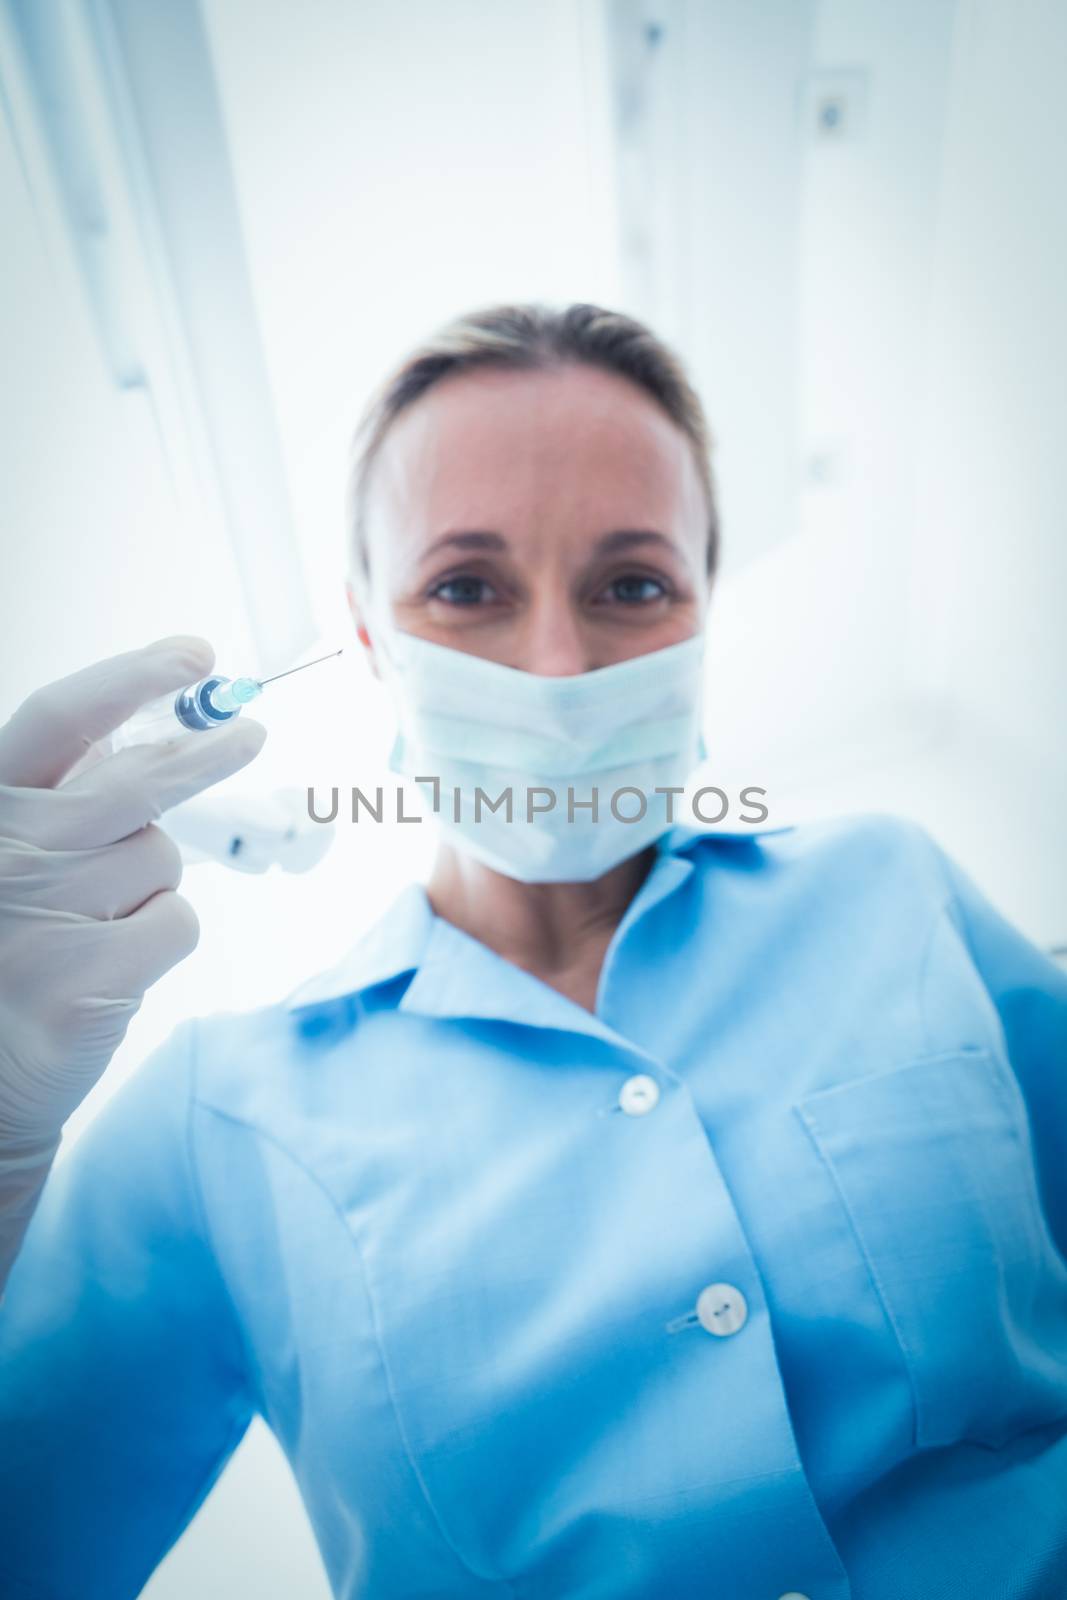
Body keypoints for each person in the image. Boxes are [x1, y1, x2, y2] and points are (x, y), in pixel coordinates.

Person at [1, 302, 1065, 1600]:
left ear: (703, 611)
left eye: (632, 584)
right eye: (465, 587)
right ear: (370, 637)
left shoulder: (894, 894)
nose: (556, 666)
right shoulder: (211, 1119)